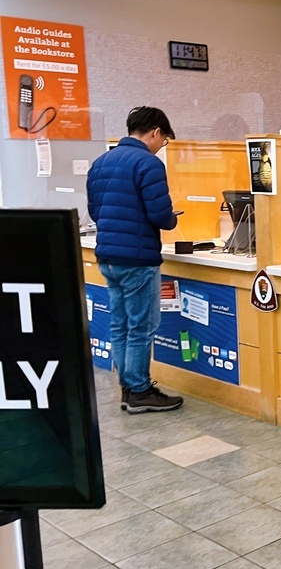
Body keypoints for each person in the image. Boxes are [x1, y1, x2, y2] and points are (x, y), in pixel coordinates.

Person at [86, 106, 184, 414]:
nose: (162, 146)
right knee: (142, 325)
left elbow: (95, 211)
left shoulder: (101, 162)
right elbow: (159, 215)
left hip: (108, 255)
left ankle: (128, 386)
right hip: (137, 258)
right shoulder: (148, 163)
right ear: (155, 132)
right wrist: (171, 219)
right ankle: (140, 390)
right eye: (164, 140)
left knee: (121, 323)